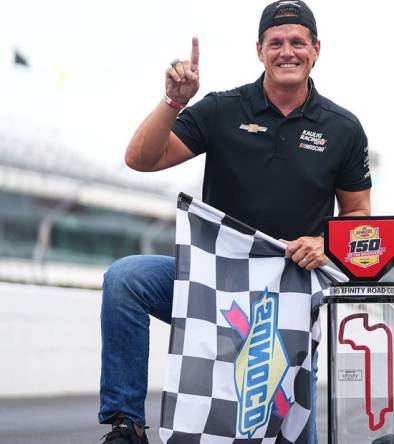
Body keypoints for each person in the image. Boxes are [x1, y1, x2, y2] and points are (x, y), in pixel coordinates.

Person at [99, 1, 371, 443]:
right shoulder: (223, 109)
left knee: (294, 429)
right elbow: (140, 160)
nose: (287, 51)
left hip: (292, 295)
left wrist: (326, 243)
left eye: (297, 43)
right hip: (212, 286)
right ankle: (126, 425)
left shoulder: (343, 127)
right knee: (126, 279)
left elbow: (359, 215)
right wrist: (173, 101)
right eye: (276, 43)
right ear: (259, 49)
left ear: (316, 50)